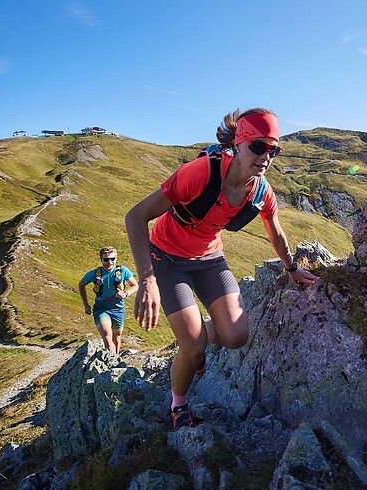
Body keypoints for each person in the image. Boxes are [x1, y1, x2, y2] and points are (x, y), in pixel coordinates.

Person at [125, 108, 317, 429]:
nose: (265, 156)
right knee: (192, 346)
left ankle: (197, 334)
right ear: (239, 143)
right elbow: (136, 216)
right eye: (258, 146)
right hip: (167, 258)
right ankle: (178, 405)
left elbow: (276, 233)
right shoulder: (200, 173)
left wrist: (292, 268)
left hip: (209, 260)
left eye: (273, 150)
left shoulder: (261, 191)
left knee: (236, 336)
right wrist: (147, 281)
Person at [78, 246, 139, 354]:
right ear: (101, 260)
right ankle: (111, 359)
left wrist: (125, 294)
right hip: (101, 308)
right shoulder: (94, 274)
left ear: (116, 258)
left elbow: (135, 285)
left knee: (117, 337)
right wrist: (86, 304)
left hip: (118, 308)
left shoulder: (123, 271)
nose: (109, 262)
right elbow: (81, 284)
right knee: (107, 335)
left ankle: (115, 358)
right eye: (106, 259)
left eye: (112, 259)